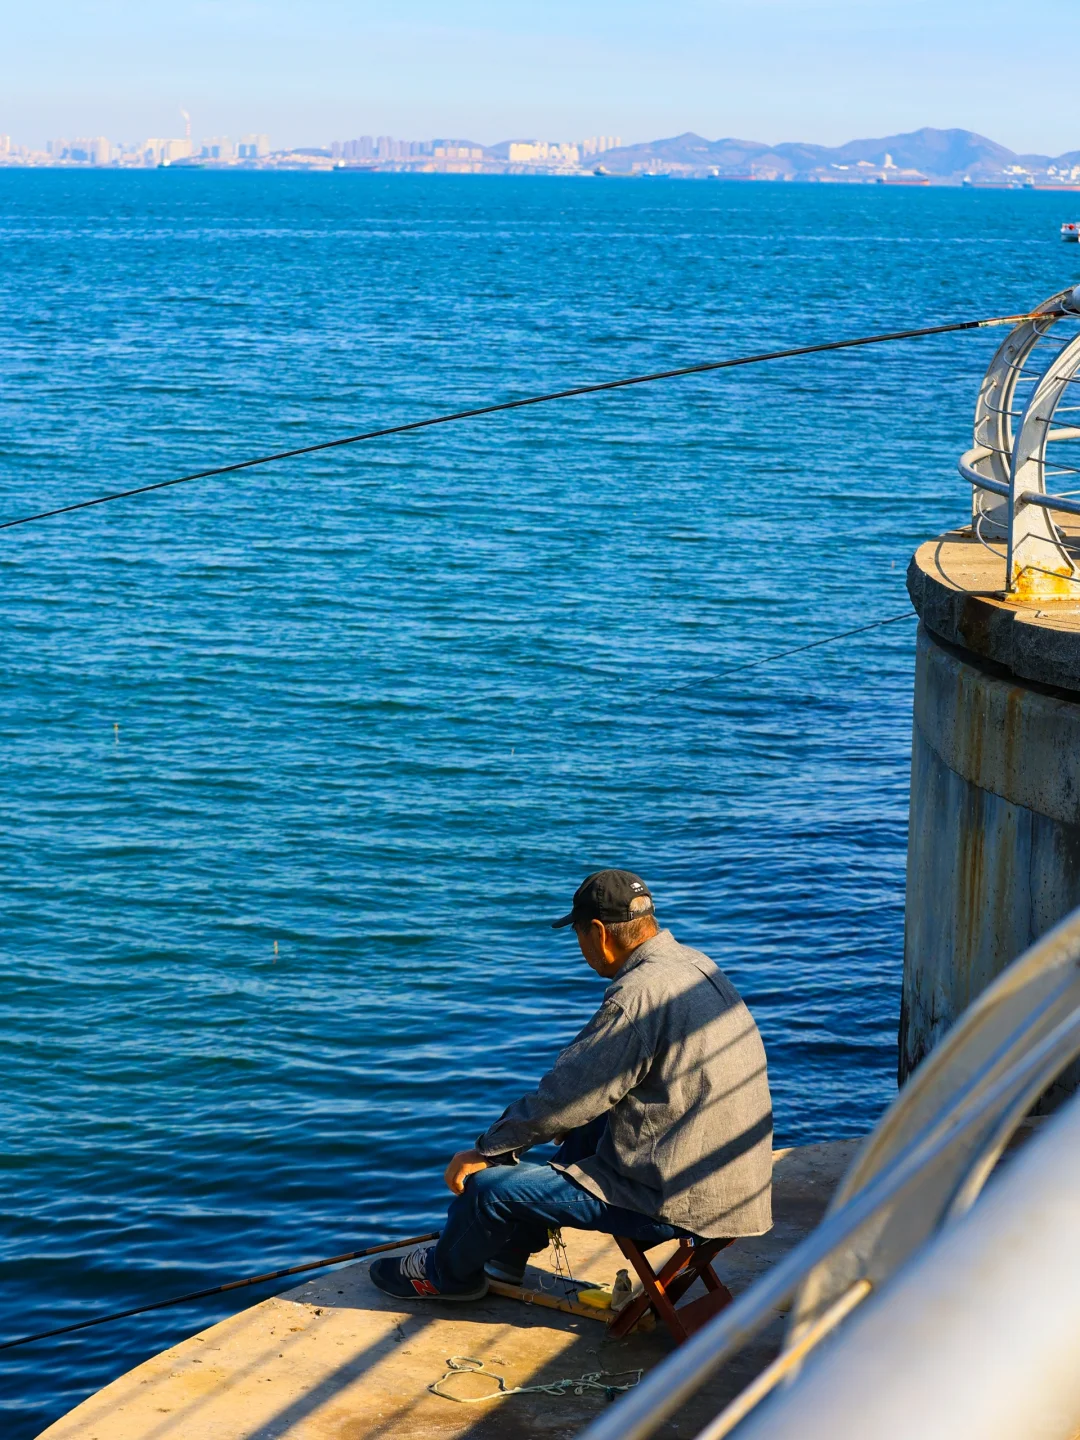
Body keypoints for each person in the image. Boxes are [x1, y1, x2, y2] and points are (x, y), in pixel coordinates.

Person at [370, 869, 773, 1302]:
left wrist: (487, 1150)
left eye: (578, 935)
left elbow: (563, 1096)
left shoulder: (636, 996)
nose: (580, 948)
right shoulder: (696, 965)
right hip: (739, 1186)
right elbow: (589, 1097)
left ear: (599, 933)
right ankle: (508, 1252)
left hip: (678, 1201)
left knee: (486, 1191)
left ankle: (445, 1277)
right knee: (586, 1124)